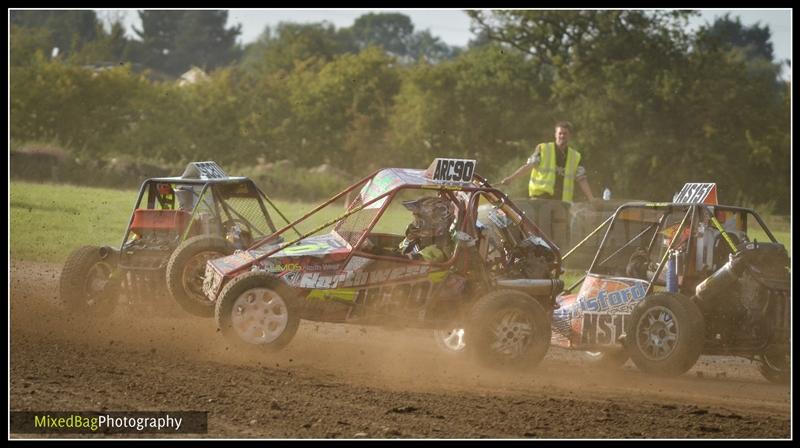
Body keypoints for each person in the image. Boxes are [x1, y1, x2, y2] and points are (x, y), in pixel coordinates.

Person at [500, 121, 594, 203]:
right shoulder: (543, 149)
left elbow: (581, 179)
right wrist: (510, 179)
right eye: (560, 133)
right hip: (540, 199)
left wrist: (591, 199)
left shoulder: (575, 156)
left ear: (569, 135)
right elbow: (529, 166)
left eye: (565, 133)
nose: (562, 136)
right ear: (555, 134)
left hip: (562, 203)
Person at [398, 197, 455, 263]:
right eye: (416, 216)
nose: (416, 222)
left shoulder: (438, 249)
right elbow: (401, 248)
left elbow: (415, 260)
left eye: (420, 217)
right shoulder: (416, 235)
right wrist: (410, 239)